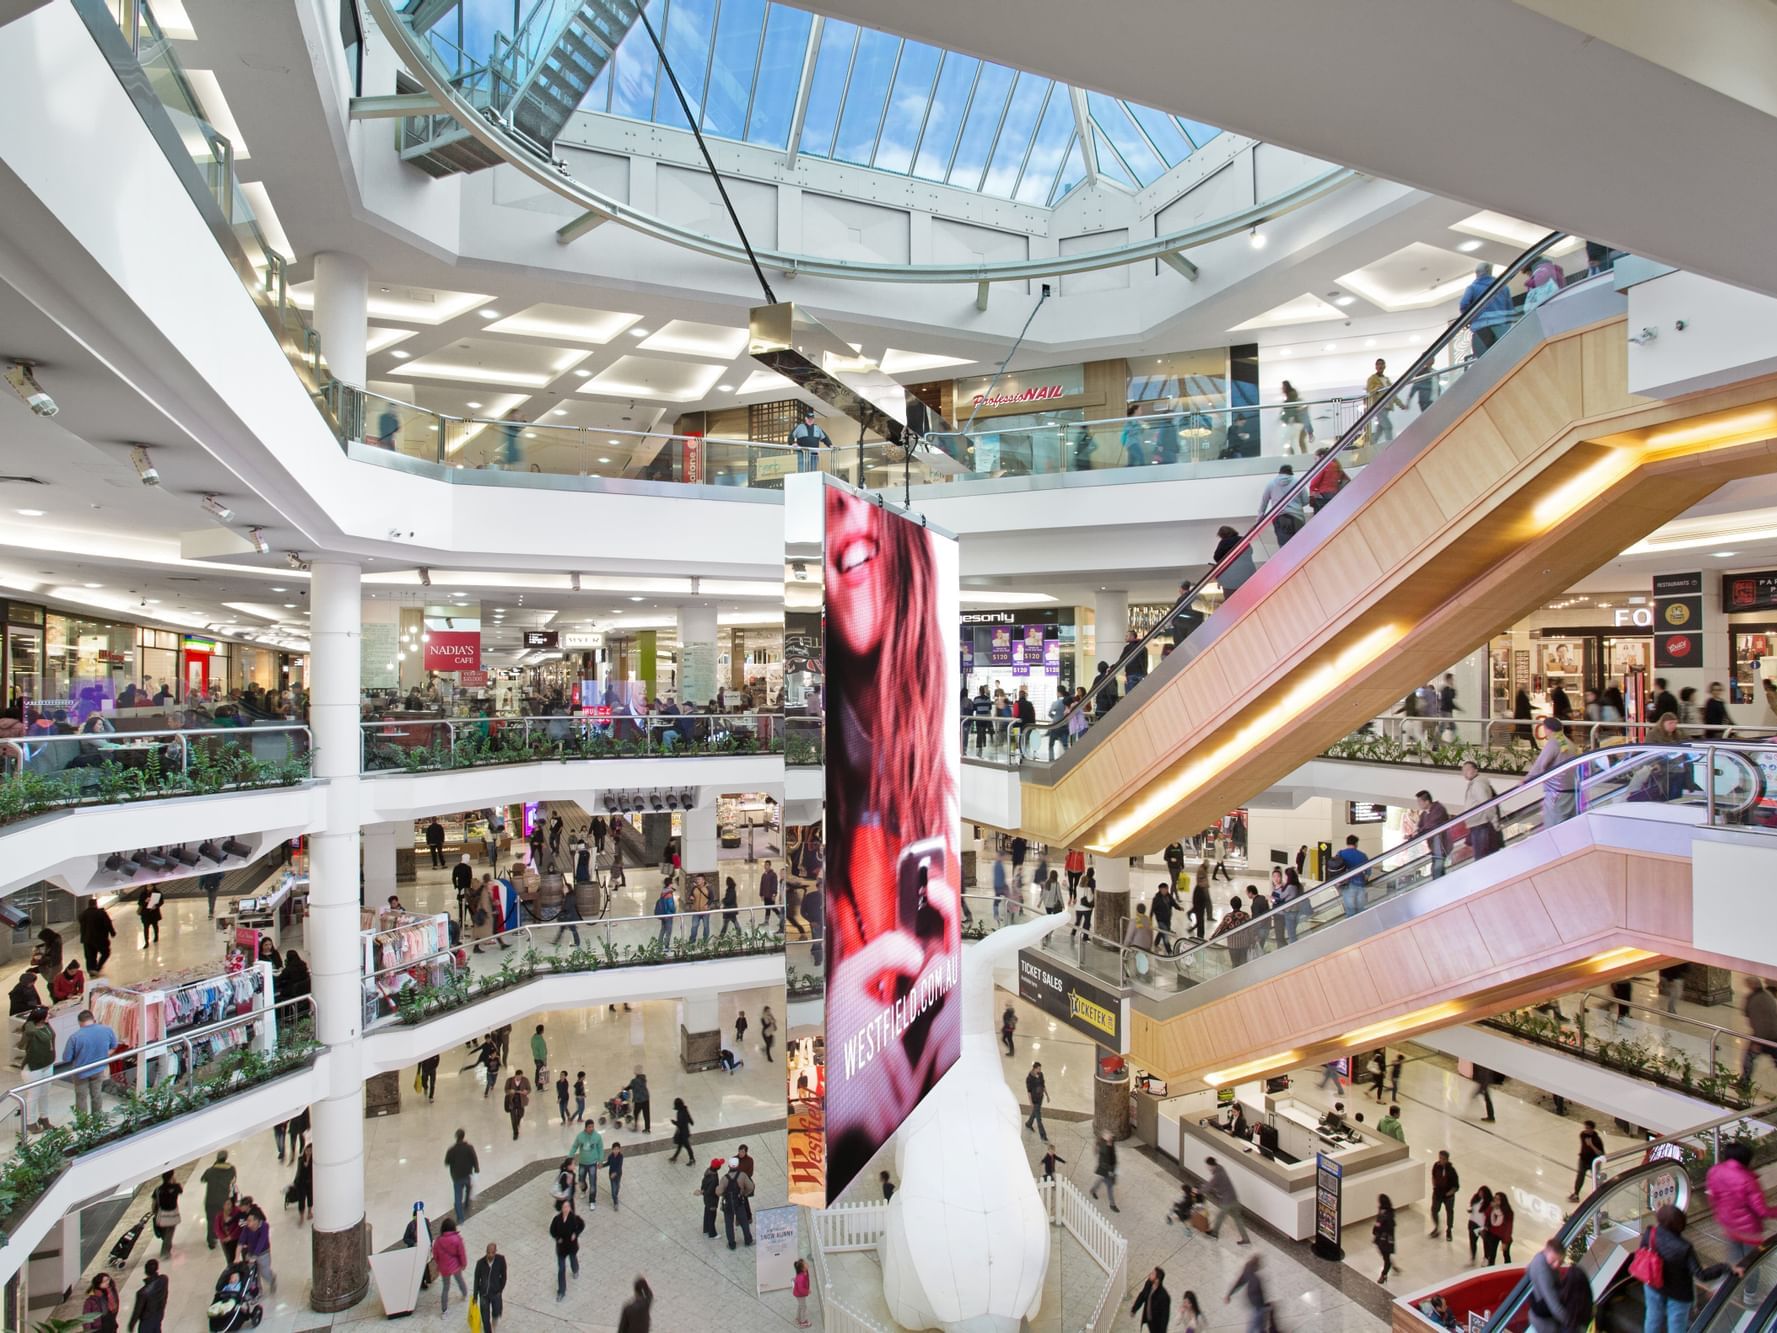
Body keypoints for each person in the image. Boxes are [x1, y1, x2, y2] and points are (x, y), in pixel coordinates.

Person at [1637, 1204, 1729, 1331]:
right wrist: (1724, 1267)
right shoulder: (1684, 1247)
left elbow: (1643, 1250)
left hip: (1652, 1283)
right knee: (1677, 1324)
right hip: (1678, 1293)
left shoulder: (1650, 1233)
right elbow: (1701, 1275)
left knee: (1653, 1317)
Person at [1707, 1140, 1775, 1301]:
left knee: (1733, 1258)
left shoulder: (1715, 1171)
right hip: (1749, 1230)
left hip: (1728, 1225)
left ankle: (1721, 1288)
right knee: (1752, 1263)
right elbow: (1761, 1210)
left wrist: (1719, 1215)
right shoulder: (1748, 1180)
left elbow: (1712, 1196)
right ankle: (1749, 1295)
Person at [62, 1007, 118, 1118]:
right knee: (96, 1094)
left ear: (79, 1022)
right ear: (93, 1019)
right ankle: (97, 1118)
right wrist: (104, 1056)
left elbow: (66, 1058)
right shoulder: (107, 1030)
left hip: (81, 1072)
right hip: (99, 1068)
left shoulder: (75, 1037)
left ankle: (83, 1122)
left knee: (81, 1097)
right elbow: (114, 1046)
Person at [1525, 717, 1578, 828]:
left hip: (1556, 790)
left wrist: (1527, 779)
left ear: (1547, 729)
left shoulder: (1554, 743)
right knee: (1569, 824)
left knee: (1554, 825)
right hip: (1572, 790)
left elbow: (1541, 763)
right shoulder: (1569, 743)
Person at [1461, 262, 1515, 353]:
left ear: (1478, 273)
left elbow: (1464, 306)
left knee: (1486, 359)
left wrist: (1470, 320)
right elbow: (1510, 309)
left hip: (1481, 328)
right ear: (1490, 272)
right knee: (1506, 354)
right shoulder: (1503, 287)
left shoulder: (1472, 288)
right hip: (1502, 327)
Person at [1525, 1236, 1568, 1333]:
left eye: (1560, 1262)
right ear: (1546, 1251)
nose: (1557, 1265)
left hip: (1537, 1317)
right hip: (1545, 1325)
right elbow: (1553, 1304)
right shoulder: (1544, 1270)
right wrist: (1571, 1322)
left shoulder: (1539, 1258)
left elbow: (1527, 1269)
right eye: (1554, 1260)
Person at [1204, 1155, 1250, 1243]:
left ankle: (1214, 1234)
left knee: (1219, 1217)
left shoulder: (1217, 1176)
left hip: (1227, 1201)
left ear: (1211, 1166)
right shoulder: (1221, 1168)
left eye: (1207, 1166)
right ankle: (1246, 1239)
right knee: (1238, 1219)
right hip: (1234, 1198)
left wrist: (1197, 1190)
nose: (1207, 1168)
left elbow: (1208, 1187)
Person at [1461, 760, 1502, 860]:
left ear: (1475, 770)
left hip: (1481, 825)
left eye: (1467, 769)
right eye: (1463, 770)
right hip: (1477, 825)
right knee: (1482, 855)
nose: (1465, 772)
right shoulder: (1474, 784)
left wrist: (1494, 822)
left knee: (1482, 857)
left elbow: (1486, 803)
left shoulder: (1478, 784)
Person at [1257, 464, 1304, 546]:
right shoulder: (1298, 482)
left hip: (1279, 516)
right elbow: (1305, 500)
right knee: (1299, 543)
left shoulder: (1271, 483)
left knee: (1284, 544)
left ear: (1280, 472)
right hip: (1297, 516)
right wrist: (1297, 505)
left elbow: (1264, 501)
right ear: (1291, 472)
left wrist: (1260, 516)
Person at [1742, 977, 1777, 1085]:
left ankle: (1744, 1083)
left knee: (1748, 1058)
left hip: (1764, 1036)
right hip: (1774, 1034)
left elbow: (1760, 1022)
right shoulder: (1768, 995)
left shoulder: (1755, 1000)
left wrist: (1758, 1041)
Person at [431, 1215, 468, 1314]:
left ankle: (444, 1310)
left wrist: (438, 1265)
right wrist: (464, 1263)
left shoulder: (438, 1241)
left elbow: (435, 1255)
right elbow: (461, 1253)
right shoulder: (457, 1239)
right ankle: (464, 1294)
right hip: (455, 1266)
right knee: (460, 1281)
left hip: (444, 1268)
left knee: (445, 1287)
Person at [549, 1198, 584, 1301]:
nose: (566, 1209)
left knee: (573, 1259)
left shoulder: (574, 1218)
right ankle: (561, 1291)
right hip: (561, 1248)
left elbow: (582, 1225)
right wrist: (557, 1238)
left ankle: (575, 1269)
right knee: (561, 1269)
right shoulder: (557, 1219)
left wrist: (575, 1234)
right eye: (565, 1207)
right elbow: (552, 1231)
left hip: (571, 1246)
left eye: (568, 1207)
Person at [1225, 1252, 1269, 1333]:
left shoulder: (1247, 1268)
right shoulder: (1256, 1279)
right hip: (1258, 1307)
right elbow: (1259, 1296)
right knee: (1255, 1326)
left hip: (1255, 1305)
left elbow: (1240, 1282)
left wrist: (1229, 1294)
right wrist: (1265, 1306)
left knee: (1258, 1326)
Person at [240, 1206, 275, 1295]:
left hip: (263, 1253)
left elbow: (262, 1241)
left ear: (256, 1220)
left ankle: (271, 1279)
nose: (247, 1223)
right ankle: (258, 1291)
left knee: (264, 1272)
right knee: (252, 1275)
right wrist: (237, 1256)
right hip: (251, 1253)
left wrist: (255, 1255)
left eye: (250, 1220)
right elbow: (241, 1241)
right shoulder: (247, 1228)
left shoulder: (264, 1226)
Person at [445, 1127, 479, 1221]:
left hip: (456, 1177)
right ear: (463, 1136)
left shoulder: (451, 1150)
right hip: (467, 1174)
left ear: (456, 1137)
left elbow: (446, 1162)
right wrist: (476, 1169)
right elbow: (474, 1158)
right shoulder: (469, 1148)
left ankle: (460, 1218)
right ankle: (467, 1204)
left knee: (458, 1196)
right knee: (468, 1188)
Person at [472, 1242, 507, 1331]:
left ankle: (495, 1319)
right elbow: (476, 1279)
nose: (490, 1255)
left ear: (495, 1252)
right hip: (484, 1294)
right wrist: (475, 1296)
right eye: (488, 1252)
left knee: (496, 1312)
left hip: (496, 1292)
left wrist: (500, 1289)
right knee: (485, 1318)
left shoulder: (501, 1260)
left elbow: (504, 1276)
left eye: (492, 1252)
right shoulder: (480, 1263)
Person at [126, 1258, 168, 1333]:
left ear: (145, 1271)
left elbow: (137, 1311)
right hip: (159, 1314)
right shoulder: (164, 1279)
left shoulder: (142, 1293)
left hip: (147, 1320)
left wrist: (131, 1325)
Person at [722, 1159, 755, 1248]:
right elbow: (751, 1187)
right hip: (739, 1202)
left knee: (729, 1224)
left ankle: (731, 1244)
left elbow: (718, 1191)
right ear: (738, 1166)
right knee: (744, 1222)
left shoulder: (725, 1178)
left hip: (728, 1204)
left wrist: (725, 1194)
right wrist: (744, 1194)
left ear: (728, 1166)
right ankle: (748, 1240)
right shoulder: (743, 1176)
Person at [1569, 1120, 1605, 1202]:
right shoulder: (1582, 1135)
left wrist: (1591, 1145)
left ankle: (1599, 1195)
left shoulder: (1597, 1140)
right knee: (1580, 1177)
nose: (1585, 1129)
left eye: (1587, 1128)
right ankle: (1576, 1194)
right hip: (1583, 1160)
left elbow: (1601, 1154)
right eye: (1585, 1128)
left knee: (1596, 1179)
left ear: (1592, 1129)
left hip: (1594, 1162)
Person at [571, 1119, 605, 1205]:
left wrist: (600, 1161)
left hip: (592, 1163)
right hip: (582, 1163)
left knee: (593, 1182)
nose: (591, 1128)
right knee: (581, 1180)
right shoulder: (580, 1136)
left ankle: (592, 1200)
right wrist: (570, 1156)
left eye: (593, 1126)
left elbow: (600, 1149)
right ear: (586, 1127)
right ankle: (583, 1190)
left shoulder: (597, 1136)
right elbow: (574, 1146)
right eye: (590, 1127)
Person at [149, 1170, 181, 1259]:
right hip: (172, 1215)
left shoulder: (158, 1189)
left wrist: (153, 1212)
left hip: (162, 1215)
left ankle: (167, 1244)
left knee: (165, 1233)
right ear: (171, 1178)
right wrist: (174, 1182)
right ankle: (165, 1252)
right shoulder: (176, 1187)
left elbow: (154, 1203)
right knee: (169, 1233)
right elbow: (180, 1190)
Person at [1429, 1150, 1459, 1241]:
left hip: (1448, 1196)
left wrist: (1448, 1194)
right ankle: (1437, 1227)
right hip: (1438, 1193)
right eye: (1439, 1158)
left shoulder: (1452, 1171)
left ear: (1446, 1159)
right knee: (1434, 1210)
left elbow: (1456, 1186)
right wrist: (1434, 1186)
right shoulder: (1436, 1166)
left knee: (1449, 1212)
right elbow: (1433, 1176)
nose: (1440, 1160)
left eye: (1442, 1159)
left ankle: (1449, 1230)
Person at [80, 897, 115, 974]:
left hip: (87, 940)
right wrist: (112, 932)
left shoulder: (83, 914)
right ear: (96, 904)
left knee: (90, 956)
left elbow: (82, 927)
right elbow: (108, 924)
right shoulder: (101, 913)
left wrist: (83, 939)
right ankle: (98, 968)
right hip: (100, 939)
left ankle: (91, 970)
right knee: (106, 953)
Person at [789, 407, 830, 472]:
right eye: (809, 419)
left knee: (813, 471)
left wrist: (830, 445)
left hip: (814, 454)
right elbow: (790, 436)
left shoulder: (817, 428)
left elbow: (825, 438)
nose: (810, 420)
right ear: (806, 418)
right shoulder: (800, 427)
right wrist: (793, 443)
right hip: (802, 453)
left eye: (812, 419)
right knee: (802, 471)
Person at [1132, 1266, 1172, 1331]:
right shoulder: (1148, 1283)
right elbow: (1142, 1296)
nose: (1150, 1274)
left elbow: (1165, 1318)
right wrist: (1134, 1308)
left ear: (1157, 1280)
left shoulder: (1164, 1297)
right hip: (1149, 1319)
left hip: (1157, 1324)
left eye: (1153, 1274)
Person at [1088, 1132, 1119, 1212]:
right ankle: (1112, 1204)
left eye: (1110, 1138)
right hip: (1106, 1170)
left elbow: (1113, 1156)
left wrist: (1114, 1167)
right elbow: (1103, 1161)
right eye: (1108, 1138)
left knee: (1101, 1180)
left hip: (1111, 1168)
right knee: (1110, 1187)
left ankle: (1093, 1190)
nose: (1110, 1139)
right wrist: (1109, 1171)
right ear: (1104, 1139)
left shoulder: (1111, 1144)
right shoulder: (1103, 1148)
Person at [1374, 1193, 1398, 1284]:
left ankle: (1384, 1274)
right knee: (1385, 1255)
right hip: (1380, 1238)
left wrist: (1380, 1227)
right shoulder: (1382, 1210)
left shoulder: (1389, 1214)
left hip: (1386, 1239)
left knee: (1386, 1258)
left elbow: (1390, 1226)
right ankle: (1390, 1264)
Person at [1486, 1191, 1514, 1264]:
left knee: (1506, 1254)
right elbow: (1487, 1216)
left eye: (1498, 1199)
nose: (1496, 1201)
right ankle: (1490, 1269)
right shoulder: (1492, 1209)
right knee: (1492, 1254)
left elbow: (1508, 1228)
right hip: (1493, 1234)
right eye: (1495, 1198)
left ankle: (1508, 1269)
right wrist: (1490, 1207)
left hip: (1504, 1235)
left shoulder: (1508, 1212)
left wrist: (1505, 1242)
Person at [1467, 1184, 1494, 1262]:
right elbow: (1472, 1208)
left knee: (1486, 1243)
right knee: (1472, 1242)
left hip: (1482, 1226)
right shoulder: (1475, 1199)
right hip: (1473, 1223)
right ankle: (1473, 1257)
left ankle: (1486, 1258)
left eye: (1482, 1193)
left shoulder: (1490, 1203)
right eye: (1480, 1192)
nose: (1480, 1194)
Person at [1024, 1062, 1049, 1142]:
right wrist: (1031, 1103)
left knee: (1035, 1113)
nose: (1040, 1070)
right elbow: (1029, 1092)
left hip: (1040, 1097)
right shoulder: (1029, 1079)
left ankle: (1028, 1124)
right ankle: (1043, 1135)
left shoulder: (1041, 1074)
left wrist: (1047, 1095)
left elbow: (1043, 1085)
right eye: (1039, 1068)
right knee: (1039, 1119)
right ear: (1034, 1068)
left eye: (1040, 1069)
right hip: (1035, 1101)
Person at [503, 1069, 530, 1140]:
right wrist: (509, 1091)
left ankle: (518, 1122)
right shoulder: (509, 1080)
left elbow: (529, 1089)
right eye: (518, 1077)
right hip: (512, 1101)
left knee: (521, 1114)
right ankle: (515, 1132)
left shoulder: (525, 1080)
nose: (519, 1079)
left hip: (521, 1101)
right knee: (513, 1118)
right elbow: (506, 1090)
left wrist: (526, 1091)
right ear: (515, 1075)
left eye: (520, 1077)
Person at [291, 1143, 314, 1224]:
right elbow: (298, 1172)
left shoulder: (314, 1160)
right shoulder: (301, 1159)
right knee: (301, 1199)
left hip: (310, 1182)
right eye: (308, 1150)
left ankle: (309, 1212)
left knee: (310, 1197)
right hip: (301, 1183)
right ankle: (301, 1217)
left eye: (311, 1150)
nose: (309, 1152)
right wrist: (295, 1182)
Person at [670, 1097, 694, 1163]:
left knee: (687, 1146)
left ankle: (692, 1159)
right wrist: (691, 1122)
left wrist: (674, 1122)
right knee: (680, 1146)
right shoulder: (685, 1110)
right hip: (684, 1132)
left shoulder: (680, 1113)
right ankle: (675, 1157)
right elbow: (688, 1117)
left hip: (682, 1133)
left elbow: (680, 1124)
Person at [793, 1258, 812, 1328]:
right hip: (799, 1294)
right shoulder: (801, 1277)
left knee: (800, 1306)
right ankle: (803, 1322)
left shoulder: (805, 1272)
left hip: (800, 1294)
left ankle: (798, 1318)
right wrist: (807, 1291)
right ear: (802, 1269)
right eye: (805, 1264)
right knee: (804, 1307)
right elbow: (801, 1289)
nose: (807, 1264)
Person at [530, 1023, 548, 1087]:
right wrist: (544, 1060)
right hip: (540, 1059)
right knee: (542, 1072)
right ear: (541, 1031)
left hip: (536, 1058)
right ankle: (540, 1086)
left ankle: (536, 1083)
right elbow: (542, 1052)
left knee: (538, 1071)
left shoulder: (534, 1037)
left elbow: (532, 1046)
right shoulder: (540, 1040)